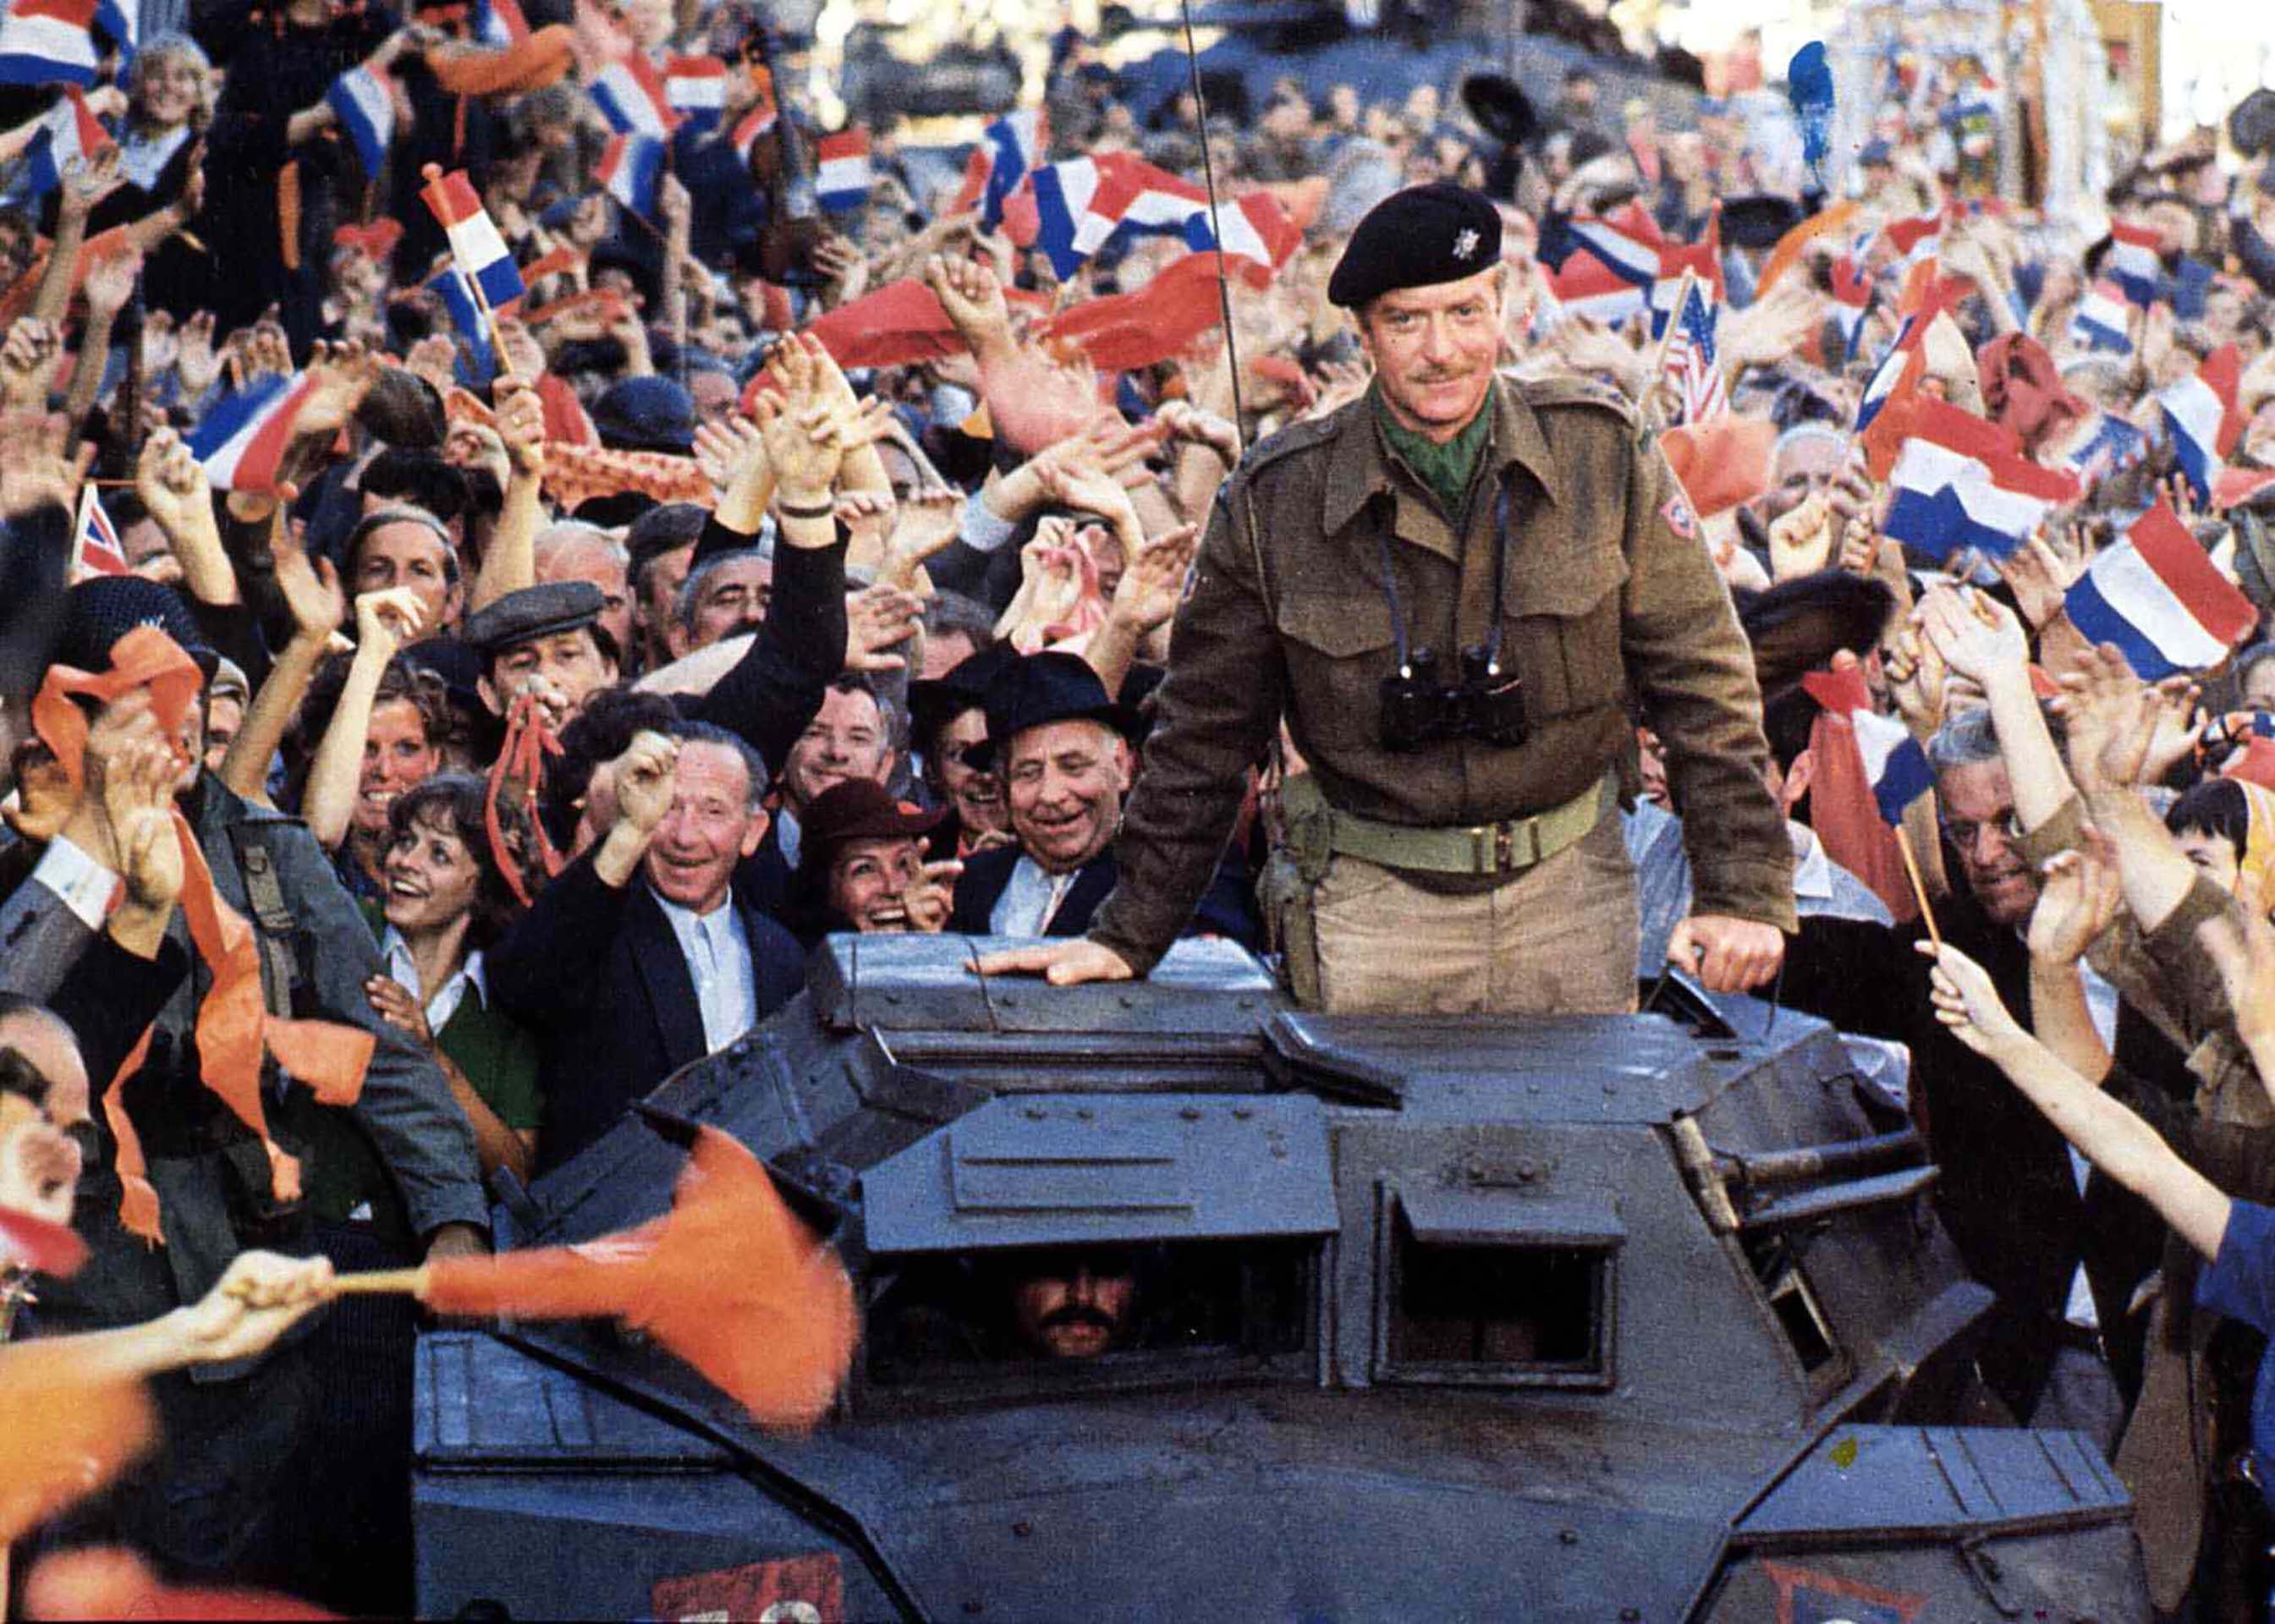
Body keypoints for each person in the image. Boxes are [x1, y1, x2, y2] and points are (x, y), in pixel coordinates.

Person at [979, 184, 1791, 1009]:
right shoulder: (1277, 498)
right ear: (1363, 335)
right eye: (1406, 322)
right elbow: (1204, 734)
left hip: (1568, 899)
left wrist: (1742, 890)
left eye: (1465, 313)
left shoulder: (1600, 453)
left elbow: (1702, 678)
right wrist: (1128, 934)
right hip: (1375, 910)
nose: (1441, 351)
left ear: (1503, 307)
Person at [486, 723, 805, 1171]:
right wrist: (630, 832)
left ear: (752, 831)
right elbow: (520, 984)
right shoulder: (596, 923)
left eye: (713, 811)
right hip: (614, 1204)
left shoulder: (782, 955)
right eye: (669, 807)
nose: (685, 836)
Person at [949, 651, 1260, 946]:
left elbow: (1209, 970)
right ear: (1004, 786)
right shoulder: (972, 883)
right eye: (1028, 773)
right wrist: (930, 942)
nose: (1052, 795)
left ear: (1121, 766)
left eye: (1074, 766)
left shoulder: (1185, 868)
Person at [363, 774, 544, 1185]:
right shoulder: (349, 929)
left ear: (483, 888)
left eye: (439, 855)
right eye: (406, 841)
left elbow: (515, 1172)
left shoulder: (508, 1000)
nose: (406, 861)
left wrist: (432, 1057)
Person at [784, 777, 960, 943]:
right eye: (865, 869)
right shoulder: (793, 958)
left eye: (903, 863)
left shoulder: (954, 947)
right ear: (823, 886)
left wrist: (929, 942)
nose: (893, 888)